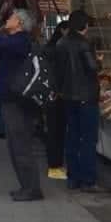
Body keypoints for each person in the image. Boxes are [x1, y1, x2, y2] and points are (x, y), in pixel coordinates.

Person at [0, 8, 43, 202]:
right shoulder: (11, 40)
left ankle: (31, 188)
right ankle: (26, 186)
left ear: (19, 22)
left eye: (11, 17)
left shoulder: (22, 40)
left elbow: (3, 45)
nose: (7, 20)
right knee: (14, 144)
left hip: (18, 100)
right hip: (10, 98)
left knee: (21, 145)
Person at [55, 10, 106, 193]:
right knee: (88, 140)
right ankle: (88, 180)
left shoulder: (60, 43)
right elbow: (92, 68)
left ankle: (73, 178)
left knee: (72, 137)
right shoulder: (84, 44)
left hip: (68, 97)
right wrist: (99, 62)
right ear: (85, 26)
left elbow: (58, 72)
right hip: (86, 97)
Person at [44, 20, 70, 180]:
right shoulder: (58, 50)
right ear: (63, 30)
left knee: (54, 131)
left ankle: (55, 165)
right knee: (56, 131)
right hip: (56, 95)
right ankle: (55, 166)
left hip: (51, 94)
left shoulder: (50, 48)